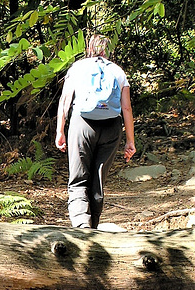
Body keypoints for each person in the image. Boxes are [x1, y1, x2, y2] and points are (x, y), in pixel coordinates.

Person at [55, 34, 136, 229]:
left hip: (82, 124)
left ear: (89, 48)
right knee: (98, 181)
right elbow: (126, 109)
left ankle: (82, 226)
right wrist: (130, 141)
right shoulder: (118, 72)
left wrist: (60, 131)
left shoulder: (78, 68)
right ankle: (94, 228)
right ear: (108, 50)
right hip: (111, 127)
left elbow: (65, 101)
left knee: (78, 179)